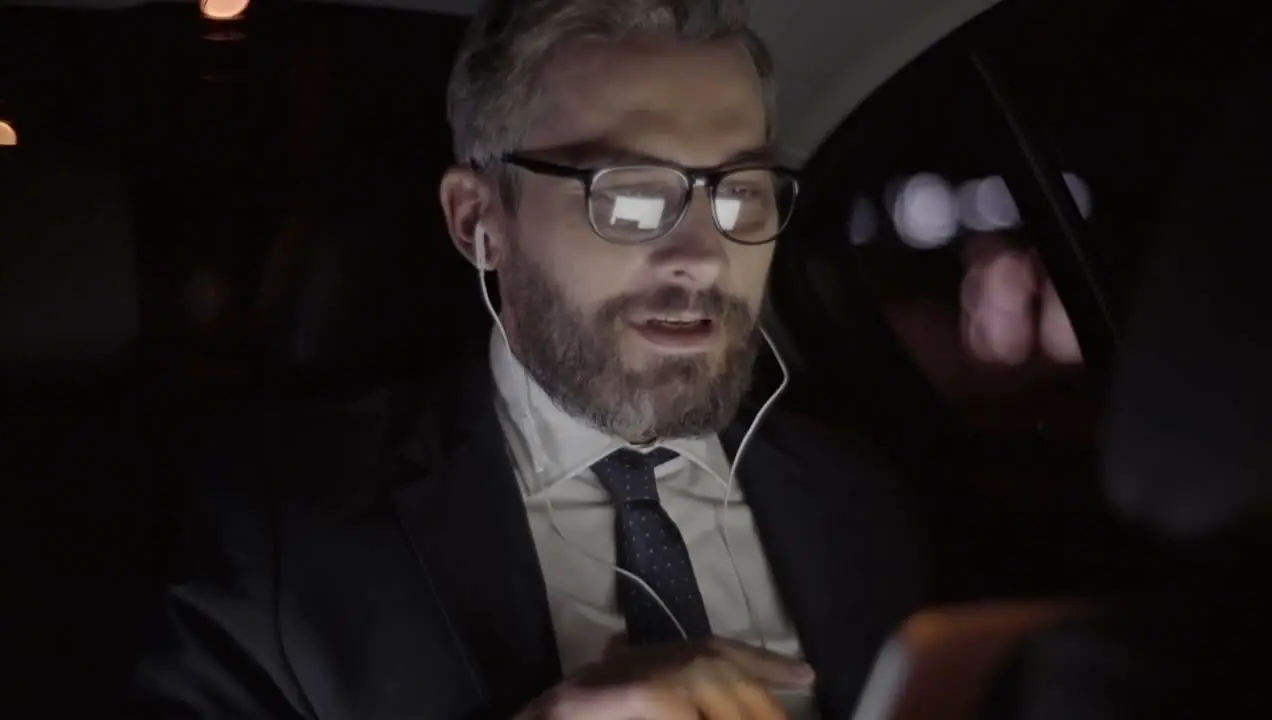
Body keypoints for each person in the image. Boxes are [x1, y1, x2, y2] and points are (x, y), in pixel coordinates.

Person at [120, 1, 925, 718]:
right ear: (478, 220)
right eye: (630, 194)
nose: (707, 259)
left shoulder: (863, 500)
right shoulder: (287, 529)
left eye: (739, 192)